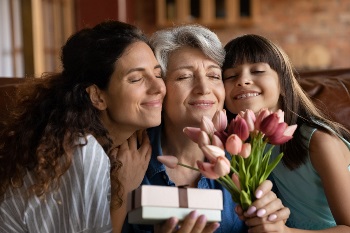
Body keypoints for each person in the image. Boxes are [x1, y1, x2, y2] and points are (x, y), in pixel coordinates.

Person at [0, 20, 167, 233]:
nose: (158, 87)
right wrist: (123, 191)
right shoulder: (80, 150)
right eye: (136, 79)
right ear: (97, 96)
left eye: (157, 74)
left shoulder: (94, 145)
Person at [122, 25, 290, 233]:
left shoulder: (247, 160)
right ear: (160, 89)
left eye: (214, 76)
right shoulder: (127, 161)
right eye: (184, 77)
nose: (204, 89)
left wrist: (273, 224)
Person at [222, 34, 350, 231]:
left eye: (257, 71)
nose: (243, 81)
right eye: (230, 76)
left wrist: (285, 231)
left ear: (283, 83)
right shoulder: (242, 144)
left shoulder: (319, 142)